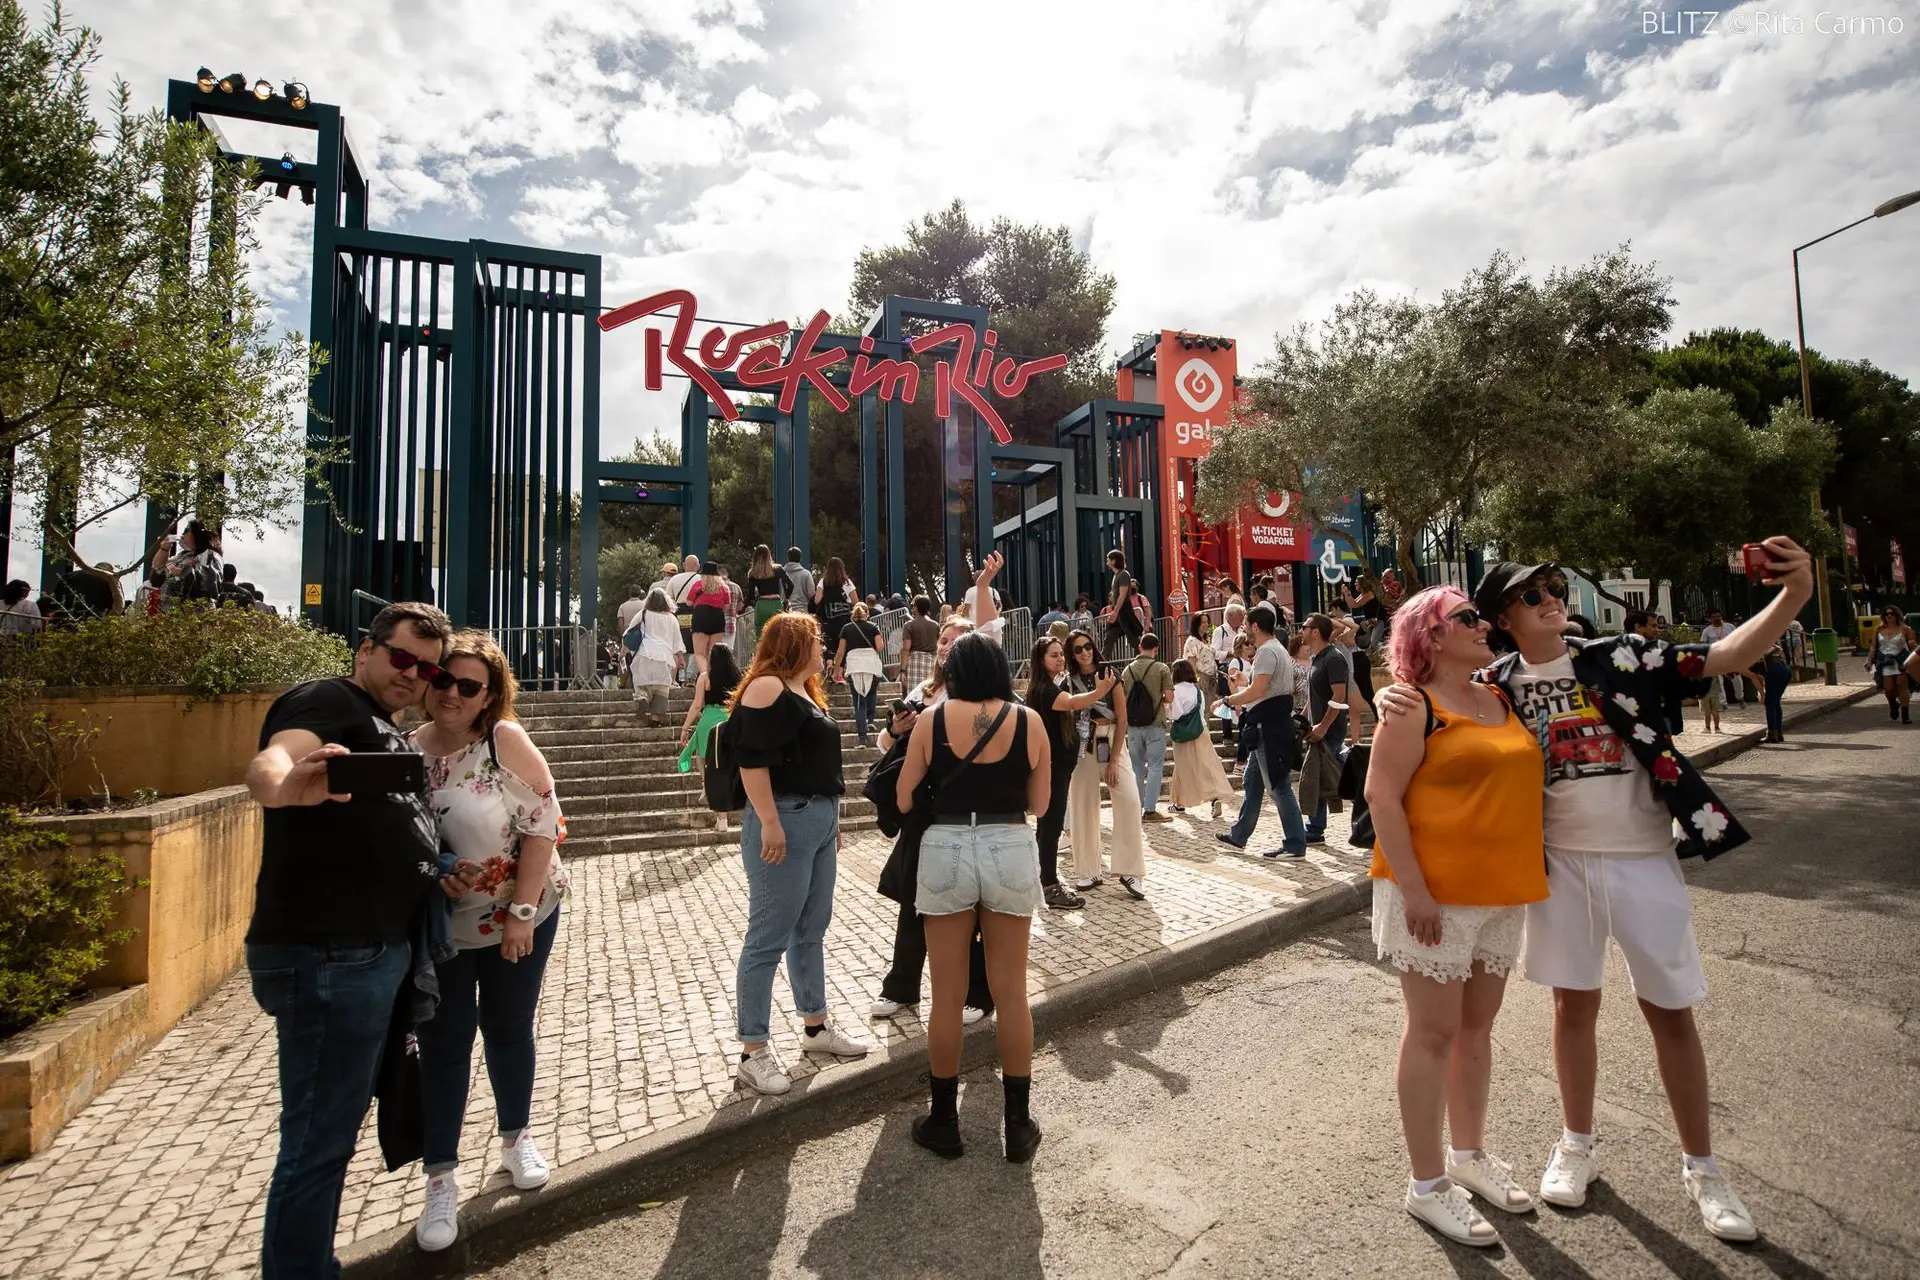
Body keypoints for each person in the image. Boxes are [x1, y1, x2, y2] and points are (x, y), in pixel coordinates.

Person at [1378, 544, 1813, 1241]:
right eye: (1532, 596)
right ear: (1501, 620)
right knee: (1571, 1009)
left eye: (1553, 587)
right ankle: (1575, 1145)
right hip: (1559, 871)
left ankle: (1704, 1169)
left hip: (1645, 858)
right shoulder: (1497, 681)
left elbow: (1726, 656)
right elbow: (1425, 695)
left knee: (1672, 1013)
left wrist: (1794, 597)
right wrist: (1388, 690)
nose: (1552, 598)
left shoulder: (1621, 656)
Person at [241, 601, 453, 1278]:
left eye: (426, 668)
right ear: (367, 650)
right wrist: (281, 790)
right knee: (317, 1140)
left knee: (328, 1135)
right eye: (401, 658)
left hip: (367, 954)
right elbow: (275, 759)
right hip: (330, 956)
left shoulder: (381, 728)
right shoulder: (328, 701)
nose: (412, 675)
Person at [1363, 586, 1547, 1246]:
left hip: (1503, 891)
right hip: (1434, 896)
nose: (1482, 624)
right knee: (1433, 1031)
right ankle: (1427, 1185)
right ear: (1431, 636)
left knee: (1477, 1028)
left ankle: (1469, 1157)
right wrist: (1413, 889)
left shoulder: (1500, 693)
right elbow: (1380, 795)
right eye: (1466, 618)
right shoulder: (1414, 705)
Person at [407, 630, 569, 1253]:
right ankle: (440, 1177)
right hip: (444, 926)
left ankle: (515, 1138)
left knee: (506, 1026)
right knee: (443, 1042)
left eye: (467, 685)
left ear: (488, 696)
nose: (450, 692)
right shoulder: (404, 749)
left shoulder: (504, 742)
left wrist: (522, 913)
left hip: (519, 910)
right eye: (442, 679)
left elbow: (543, 826)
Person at [896, 631, 1050, 1162]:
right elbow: (1040, 802)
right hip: (1009, 840)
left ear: (955, 673)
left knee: (946, 993)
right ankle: (1017, 1124)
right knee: (1011, 992)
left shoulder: (931, 719)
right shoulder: (1029, 720)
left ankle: (944, 1122)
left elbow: (902, 794)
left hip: (947, 844)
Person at [726, 612, 873, 1094]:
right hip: (784, 820)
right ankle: (753, 1049)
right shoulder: (767, 687)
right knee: (768, 935)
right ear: (794, 644)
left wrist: (829, 824)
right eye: (816, 640)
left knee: (811, 928)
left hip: (815, 820)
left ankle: (815, 1026)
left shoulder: (802, 689)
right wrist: (769, 821)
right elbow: (751, 761)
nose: (824, 647)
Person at [870, 613, 999, 1022]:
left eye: (954, 640)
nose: (945, 646)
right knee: (913, 901)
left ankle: (978, 992)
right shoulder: (924, 691)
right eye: (942, 640)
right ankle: (902, 987)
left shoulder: (980, 696)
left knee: (969, 903)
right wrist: (895, 729)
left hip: (964, 808)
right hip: (922, 810)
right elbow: (885, 746)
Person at [1024, 635, 1116, 910]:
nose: (1060, 658)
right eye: (1054, 655)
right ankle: (1049, 885)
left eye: (1060, 654)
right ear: (1041, 660)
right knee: (1051, 827)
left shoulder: (1049, 685)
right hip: (1052, 768)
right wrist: (1100, 691)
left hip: (1057, 766)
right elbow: (1073, 703)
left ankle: (1044, 880)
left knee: (1047, 827)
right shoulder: (1045, 689)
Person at [1217, 605, 1309, 858]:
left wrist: (1228, 700)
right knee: (1252, 782)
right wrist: (1242, 683)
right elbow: (1265, 686)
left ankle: (1294, 844)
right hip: (1267, 725)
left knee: (1279, 786)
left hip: (1267, 727)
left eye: (1246, 624)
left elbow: (1258, 691)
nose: (1244, 628)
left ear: (1255, 627)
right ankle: (1239, 835)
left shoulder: (1268, 651)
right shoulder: (1275, 649)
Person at [1062, 628, 1147, 899]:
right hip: (1082, 747)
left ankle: (1130, 870)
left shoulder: (1109, 673)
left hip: (1111, 741)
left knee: (1131, 801)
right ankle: (1088, 869)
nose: (1085, 652)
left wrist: (1113, 759)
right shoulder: (1068, 681)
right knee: (1083, 806)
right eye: (1078, 649)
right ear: (1071, 654)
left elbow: (1122, 718)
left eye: (1088, 646)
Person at [1297, 614, 1352, 844]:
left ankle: (1315, 829)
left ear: (1316, 632)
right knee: (1321, 777)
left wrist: (1323, 726)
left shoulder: (1333, 658)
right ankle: (1315, 828)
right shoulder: (1317, 658)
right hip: (1317, 730)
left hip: (1330, 731)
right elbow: (1316, 694)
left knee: (1323, 776)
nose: (1301, 630)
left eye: (1305, 626)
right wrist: (1303, 717)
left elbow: (1339, 697)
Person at [677, 642, 742, 831]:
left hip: (709, 721)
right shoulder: (738, 678)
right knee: (725, 765)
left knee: (703, 757)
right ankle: (723, 817)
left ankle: (706, 783)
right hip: (729, 721)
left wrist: (685, 727)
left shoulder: (705, 678)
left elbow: (697, 706)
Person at [1167, 660, 1234, 821]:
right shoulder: (1198, 691)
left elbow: (1175, 714)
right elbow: (1202, 709)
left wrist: (1167, 709)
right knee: (1206, 765)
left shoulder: (1175, 690)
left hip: (1182, 734)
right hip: (1201, 730)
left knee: (1182, 766)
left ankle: (1179, 802)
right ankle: (1214, 797)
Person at [1121, 633, 1175, 823]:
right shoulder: (1161, 668)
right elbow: (1169, 696)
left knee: (1135, 767)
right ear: (1156, 649)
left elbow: (1122, 697)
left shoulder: (1127, 670)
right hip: (1154, 724)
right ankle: (1150, 810)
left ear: (1139, 647)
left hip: (1133, 725)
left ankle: (1136, 808)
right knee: (1155, 766)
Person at [626, 587, 685, 726]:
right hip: (664, 657)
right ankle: (655, 719)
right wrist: (681, 658)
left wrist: (625, 651)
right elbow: (677, 641)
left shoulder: (643, 613)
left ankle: (642, 698)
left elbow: (629, 633)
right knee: (661, 689)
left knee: (643, 685)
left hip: (644, 653)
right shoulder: (671, 618)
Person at [832, 601, 885, 748]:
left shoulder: (846, 628)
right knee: (871, 691)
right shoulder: (873, 627)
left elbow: (841, 651)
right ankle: (871, 720)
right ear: (867, 614)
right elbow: (880, 647)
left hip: (854, 665)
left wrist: (837, 669)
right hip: (871, 665)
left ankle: (862, 739)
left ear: (853, 614)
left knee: (859, 702)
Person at [1626, 610, 1684, 735]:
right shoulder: (1621, 655)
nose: (1657, 629)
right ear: (1638, 627)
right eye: (1653, 626)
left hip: (1663, 714)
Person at [1868, 605, 1914, 724]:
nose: (1889, 616)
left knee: (1902, 686)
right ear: (1883, 616)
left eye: (1892, 614)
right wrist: (1869, 661)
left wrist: (1913, 646)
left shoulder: (1905, 629)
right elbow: (1873, 647)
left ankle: (1905, 715)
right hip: (1885, 661)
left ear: (1897, 615)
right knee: (1888, 689)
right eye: (1887, 614)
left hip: (1901, 660)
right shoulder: (1878, 629)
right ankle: (1893, 704)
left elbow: (1912, 645)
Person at [685, 561, 732, 675]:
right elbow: (727, 606)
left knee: (700, 653)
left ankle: (705, 676)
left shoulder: (698, 585)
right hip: (718, 618)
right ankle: (712, 676)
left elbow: (688, 602)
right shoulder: (724, 587)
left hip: (700, 617)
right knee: (712, 652)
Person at [1101, 549, 1145, 660]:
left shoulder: (1124, 574)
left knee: (1133, 638)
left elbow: (1123, 594)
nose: (1107, 561)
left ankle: (1144, 658)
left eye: (1108, 559)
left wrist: (1115, 612)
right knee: (1109, 637)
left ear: (1114, 561)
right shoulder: (1117, 575)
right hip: (1119, 609)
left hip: (1124, 609)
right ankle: (1103, 662)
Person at [813, 555, 856, 658]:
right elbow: (855, 601)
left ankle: (830, 666)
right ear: (842, 568)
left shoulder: (823, 582)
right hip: (845, 620)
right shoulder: (847, 582)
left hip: (829, 620)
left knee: (830, 646)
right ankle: (840, 669)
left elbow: (817, 600)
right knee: (843, 647)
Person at [1182, 613, 1219, 722]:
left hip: (1211, 678)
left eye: (1207, 622)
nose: (1206, 624)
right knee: (1201, 710)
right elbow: (1191, 663)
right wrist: (1195, 681)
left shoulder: (1206, 641)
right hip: (1200, 678)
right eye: (1203, 622)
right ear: (1196, 624)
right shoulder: (1192, 641)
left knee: (1207, 710)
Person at [665, 553, 702, 665]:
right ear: (698, 566)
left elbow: (667, 599)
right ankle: (692, 675)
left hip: (678, 613)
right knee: (696, 644)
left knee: (679, 641)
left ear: (683, 565)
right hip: (697, 613)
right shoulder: (701, 579)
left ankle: (678, 673)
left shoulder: (674, 579)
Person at [1698, 609, 1740, 704]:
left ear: (1721, 617)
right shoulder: (1706, 631)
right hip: (1715, 657)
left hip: (1730, 656)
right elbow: (1703, 645)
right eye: (1713, 617)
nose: (1716, 618)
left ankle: (1740, 697)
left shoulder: (1730, 627)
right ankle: (1723, 702)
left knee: (1736, 678)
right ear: (1710, 619)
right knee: (1719, 680)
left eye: (1718, 616)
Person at [744, 545, 787, 635]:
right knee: (777, 634)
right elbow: (790, 585)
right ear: (769, 556)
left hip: (761, 604)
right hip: (776, 604)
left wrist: (742, 609)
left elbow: (750, 595)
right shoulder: (778, 569)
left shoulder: (753, 573)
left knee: (760, 636)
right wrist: (786, 600)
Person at [900, 595, 941, 689]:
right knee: (929, 692)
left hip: (915, 662)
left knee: (914, 695)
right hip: (931, 662)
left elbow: (906, 649)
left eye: (913, 606)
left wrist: (902, 670)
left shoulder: (909, 625)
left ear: (916, 608)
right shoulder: (935, 625)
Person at [780, 546, 815, 613]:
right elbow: (811, 593)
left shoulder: (781, 574)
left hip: (784, 611)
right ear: (800, 558)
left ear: (788, 558)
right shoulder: (806, 574)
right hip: (802, 612)